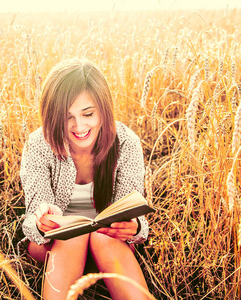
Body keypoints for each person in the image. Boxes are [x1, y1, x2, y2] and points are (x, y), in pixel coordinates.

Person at [20, 58, 150, 300]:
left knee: (102, 237)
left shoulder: (126, 142)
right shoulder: (39, 144)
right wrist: (42, 221)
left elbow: (133, 212)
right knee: (72, 234)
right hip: (52, 246)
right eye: (67, 116)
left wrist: (134, 226)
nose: (79, 126)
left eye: (87, 113)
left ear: (103, 109)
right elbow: (31, 222)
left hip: (109, 246)